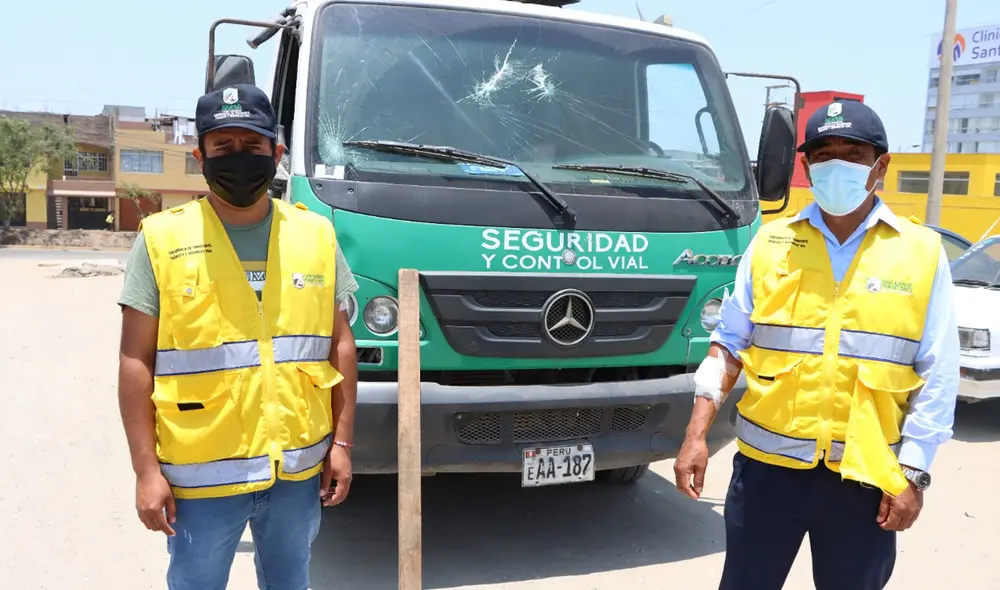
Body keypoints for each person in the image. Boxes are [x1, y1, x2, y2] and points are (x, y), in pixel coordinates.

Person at [673, 100, 959, 590]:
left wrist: (914, 475)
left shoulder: (920, 253)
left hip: (866, 478)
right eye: (824, 154)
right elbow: (728, 344)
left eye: (853, 152)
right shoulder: (770, 243)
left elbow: (938, 375)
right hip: (767, 472)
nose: (837, 164)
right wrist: (695, 435)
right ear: (806, 167)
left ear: (881, 166)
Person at [116, 83, 359, 590]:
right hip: (199, 481)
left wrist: (342, 442)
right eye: (223, 147)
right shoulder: (160, 239)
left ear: (277, 152)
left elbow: (340, 343)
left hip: (296, 471)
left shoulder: (317, 236)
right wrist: (145, 471)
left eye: (252, 146)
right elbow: (135, 360)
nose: (238, 158)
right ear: (199, 155)